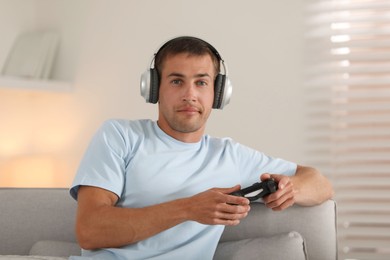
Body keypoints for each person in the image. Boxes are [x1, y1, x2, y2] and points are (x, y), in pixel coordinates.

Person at [69, 36, 333, 259]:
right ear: (153, 88)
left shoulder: (230, 155)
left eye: (201, 82)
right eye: (176, 81)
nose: (189, 94)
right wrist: (188, 208)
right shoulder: (119, 135)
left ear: (218, 93)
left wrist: (290, 189)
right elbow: (90, 230)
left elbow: (320, 183)